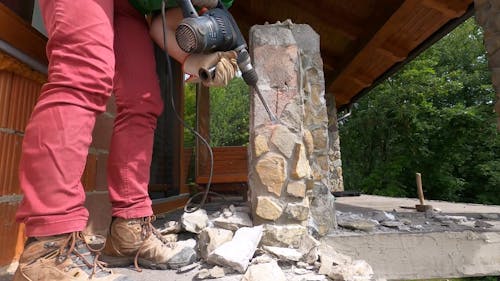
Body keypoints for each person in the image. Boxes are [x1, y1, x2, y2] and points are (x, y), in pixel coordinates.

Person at [13, 0, 237, 280]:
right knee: (84, 74)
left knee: (142, 99)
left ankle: (129, 231)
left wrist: (193, 60)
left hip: (127, 5)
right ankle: (47, 247)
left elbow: (161, 23)